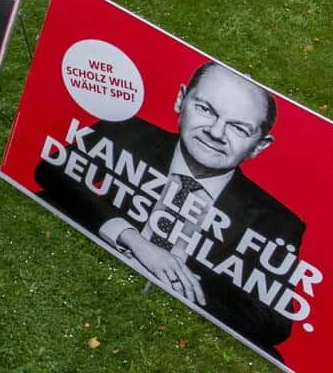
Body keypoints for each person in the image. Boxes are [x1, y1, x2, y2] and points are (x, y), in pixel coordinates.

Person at [34, 62, 304, 361]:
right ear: (181, 100)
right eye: (206, 110)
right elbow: (51, 170)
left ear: (259, 146)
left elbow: (275, 322)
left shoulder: (275, 220)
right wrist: (133, 240)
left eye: (238, 128)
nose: (215, 132)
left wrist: (178, 285)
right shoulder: (127, 129)